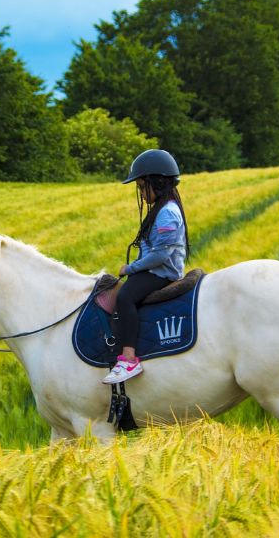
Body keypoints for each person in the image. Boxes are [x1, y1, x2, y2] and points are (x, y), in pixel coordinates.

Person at [102, 149, 190, 384]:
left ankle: (129, 360)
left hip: (161, 273)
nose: (141, 193)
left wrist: (131, 268)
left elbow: (161, 255)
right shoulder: (162, 209)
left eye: (143, 187)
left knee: (125, 298)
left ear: (158, 183)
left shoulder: (167, 213)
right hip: (153, 269)